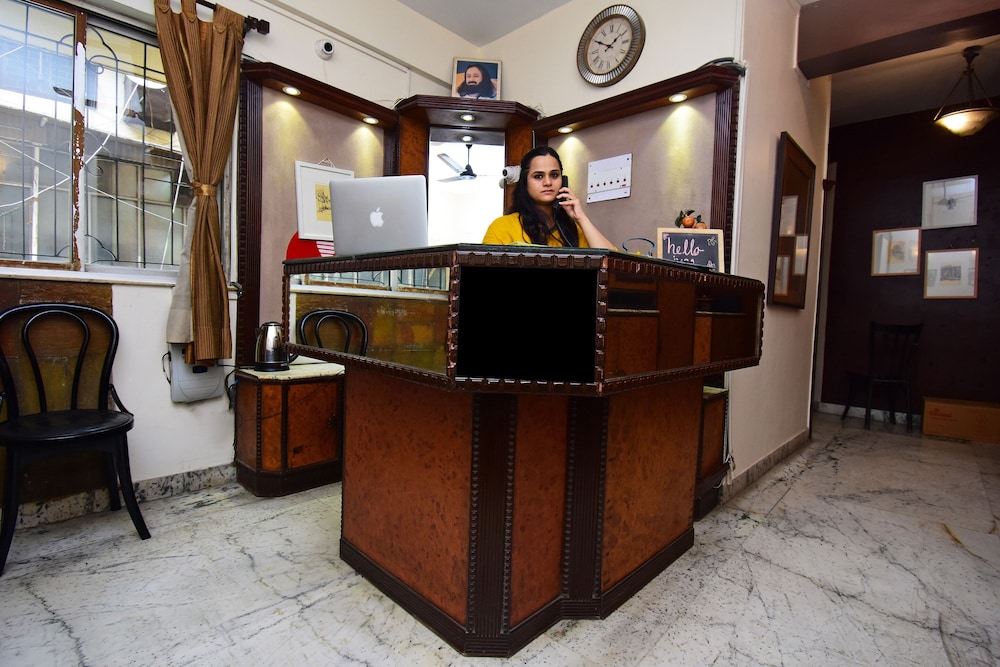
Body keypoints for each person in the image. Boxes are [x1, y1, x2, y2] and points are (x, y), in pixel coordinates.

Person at [482, 146, 616, 249]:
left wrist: (581, 218)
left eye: (554, 175)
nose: (548, 182)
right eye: (538, 176)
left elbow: (611, 263)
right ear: (525, 182)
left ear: (563, 180)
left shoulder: (572, 230)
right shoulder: (501, 227)